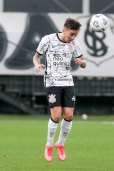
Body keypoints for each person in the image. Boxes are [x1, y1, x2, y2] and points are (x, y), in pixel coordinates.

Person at [33, 18, 86, 162]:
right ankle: (49, 145)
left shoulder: (74, 43)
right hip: (52, 81)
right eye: (72, 34)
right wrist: (37, 65)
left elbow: (83, 63)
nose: (73, 37)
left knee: (69, 115)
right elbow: (36, 57)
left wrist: (82, 63)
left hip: (68, 81)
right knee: (56, 115)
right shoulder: (48, 40)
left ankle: (60, 144)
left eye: (75, 35)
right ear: (64, 30)